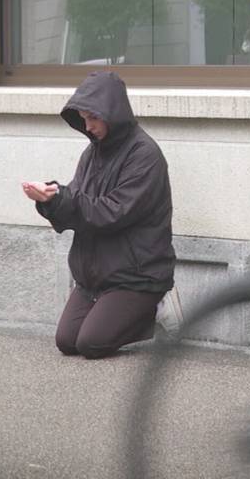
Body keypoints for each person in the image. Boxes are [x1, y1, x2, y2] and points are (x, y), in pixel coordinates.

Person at [23, 71, 176, 360]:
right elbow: (79, 204)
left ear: (113, 113)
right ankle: (112, 310)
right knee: (67, 341)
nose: (88, 126)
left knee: (91, 344)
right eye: (83, 118)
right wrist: (52, 200)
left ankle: (154, 308)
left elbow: (112, 212)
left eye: (93, 118)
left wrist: (63, 198)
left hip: (136, 276)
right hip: (94, 278)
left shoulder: (145, 155)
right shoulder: (90, 155)